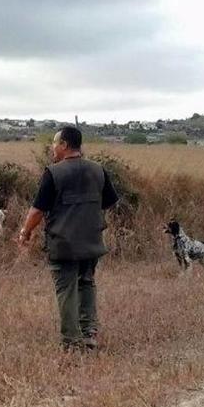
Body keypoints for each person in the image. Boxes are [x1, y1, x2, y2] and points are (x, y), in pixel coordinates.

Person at [17, 126, 119, 350]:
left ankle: (72, 342)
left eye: (55, 143)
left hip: (63, 242)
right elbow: (110, 201)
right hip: (92, 240)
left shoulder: (54, 173)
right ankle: (89, 333)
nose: (53, 147)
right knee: (87, 283)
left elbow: (37, 211)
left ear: (64, 145)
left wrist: (25, 232)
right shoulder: (98, 170)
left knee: (66, 289)